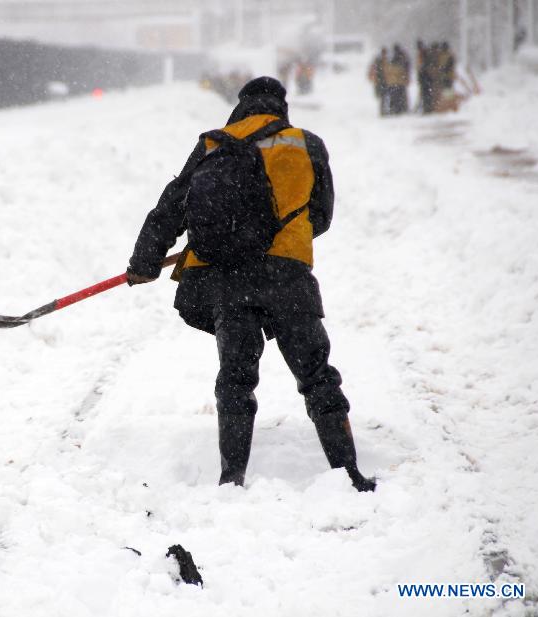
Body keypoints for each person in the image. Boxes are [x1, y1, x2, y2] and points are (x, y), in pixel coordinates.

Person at [125, 77, 376, 492]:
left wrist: (144, 262)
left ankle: (232, 478)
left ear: (241, 106)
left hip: (228, 280)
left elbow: (171, 207)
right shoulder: (306, 144)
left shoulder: (213, 145)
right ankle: (348, 473)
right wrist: (280, 237)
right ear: (281, 107)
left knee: (236, 379)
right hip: (289, 278)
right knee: (317, 376)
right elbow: (323, 215)